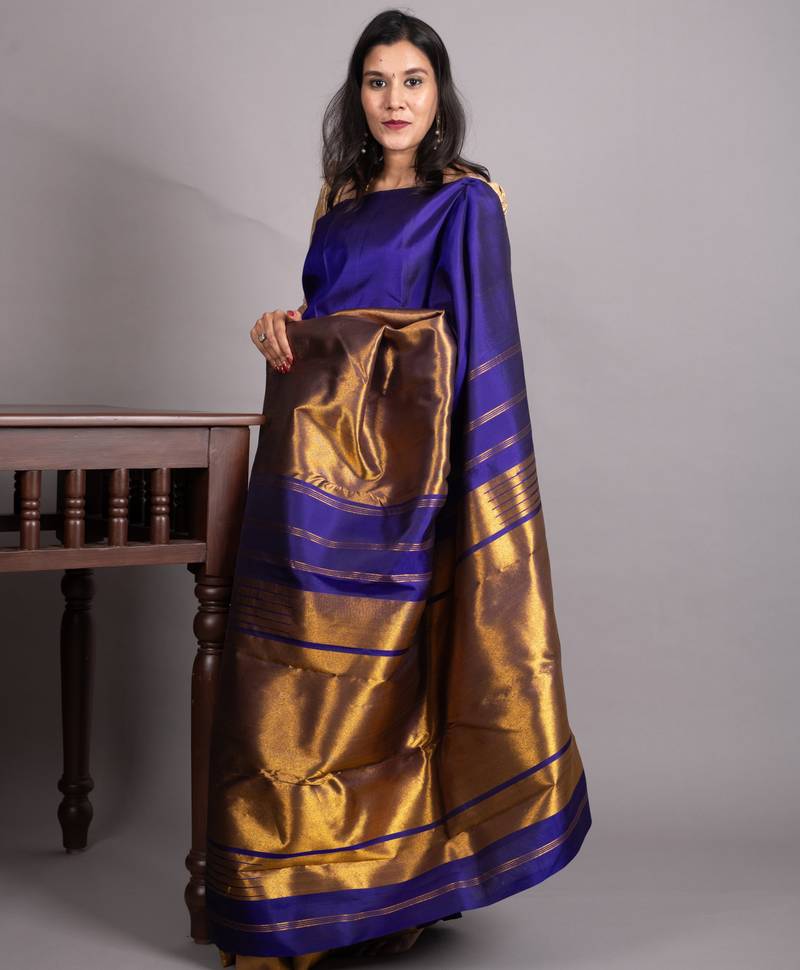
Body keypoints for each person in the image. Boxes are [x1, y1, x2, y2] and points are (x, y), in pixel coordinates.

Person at [206, 10, 592, 969]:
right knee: (291, 679)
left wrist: (465, 493)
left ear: (438, 93)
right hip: (310, 474)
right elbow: (331, 317)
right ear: (357, 94)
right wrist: (283, 327)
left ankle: (382, 894)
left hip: (408, 483)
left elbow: (481, 348)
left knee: (385, 685)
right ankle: (291, 900)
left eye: (412, 81)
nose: (394, 100)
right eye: (377, 81)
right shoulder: (337, 199)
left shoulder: (466, 203)